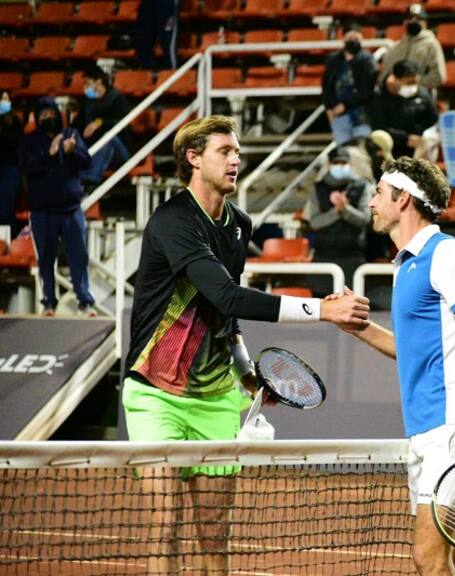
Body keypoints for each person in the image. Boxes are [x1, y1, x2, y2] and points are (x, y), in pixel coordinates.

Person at [121, 115, 369, 575]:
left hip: (216, 399)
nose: (236, 160)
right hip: (155, 392)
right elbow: (225, 294)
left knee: (214, 534)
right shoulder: (173, 221)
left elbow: (225, 315)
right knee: (165, 528)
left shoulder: (240, 224)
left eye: (238, 152)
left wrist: (244, 371)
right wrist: (323, 310)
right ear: (193, 159)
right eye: (224, 151)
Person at [332, 156, 455, 576]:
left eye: (380, 193)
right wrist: (358, 327)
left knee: (427, 557)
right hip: (426, 426)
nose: (372, 202)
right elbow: (413, 350)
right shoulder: (407, 266)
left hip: (453, 425)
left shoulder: (449, 254)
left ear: (404, 200)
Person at [19, 97, 96, 316]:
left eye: (50, 114)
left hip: (71, 209)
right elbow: (27, 167)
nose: (48, 118)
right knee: (45, 259)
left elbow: (87, 161)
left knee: (79, 257)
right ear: (37, 119)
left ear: (57, 115)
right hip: (42, 211)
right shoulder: (29, 141)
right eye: (43, 115)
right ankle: (49, 302)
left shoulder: (71, 134)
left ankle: (85, 301)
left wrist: (74, 151)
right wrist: (50, 154)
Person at [304, 146, 372, 295]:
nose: (340, 166)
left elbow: (365, 219)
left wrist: (345, 209)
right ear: (329, 163)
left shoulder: (361, 187)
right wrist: (336, 211)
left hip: (353, 256)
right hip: (323, 256)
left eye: (343, 163)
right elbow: (314, 222)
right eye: (336, 162)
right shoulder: (318, 188)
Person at [73, 64, 131, 189]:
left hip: (118, 151)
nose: (85, 87)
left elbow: (122, 124)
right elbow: (77, 125)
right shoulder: (87, 102)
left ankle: (90, 182)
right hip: (93, 150)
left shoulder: (117, 99)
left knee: (108, 138)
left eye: (88, 83)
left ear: (99, 81)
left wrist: (98, 123)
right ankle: (77, 180)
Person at [370, 59, 439, 159]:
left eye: (415, 82)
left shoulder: (422, 94)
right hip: (394, 148)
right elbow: (378, 126)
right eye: (408, 83)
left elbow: (433, 120)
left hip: (420, 146)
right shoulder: (380, 98)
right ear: (394, 79)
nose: (412, 87)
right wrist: (406, 139)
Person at [322, 23, 377, 145]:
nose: (353, 41)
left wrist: (345, 105)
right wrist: (329, 110)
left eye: (356, 39)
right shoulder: (333, 59)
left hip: (362, 114)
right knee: (343, 149)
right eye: (350, 38)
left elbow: (367, 89)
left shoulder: (367, 60)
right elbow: (327, 87)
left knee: (362, 148)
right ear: (343, 39)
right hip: (338, 115)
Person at [378, 3, 446, 92]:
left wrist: (413, 82)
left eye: (418, 19)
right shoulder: (397, 46)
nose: (414, 21)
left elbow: (439, 77)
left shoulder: (431, 44)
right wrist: (390, 82)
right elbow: (385, 75)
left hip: (421, 95)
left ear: (425, 23)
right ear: (404, 23)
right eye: (410, 18)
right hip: (396, 96)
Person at [0, 91, 23, 237]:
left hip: (9, 168)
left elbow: (14, 143)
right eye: (2, 99)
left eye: (7, 99)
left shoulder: (14, 122)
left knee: (5, 210)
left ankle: (10, 242)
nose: (5, 102)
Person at [136, 0, 180, 70]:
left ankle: (172, 73)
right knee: (143, 40)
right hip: (148, 3)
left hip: (167, 4)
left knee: (168, 41)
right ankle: (145, 71)